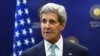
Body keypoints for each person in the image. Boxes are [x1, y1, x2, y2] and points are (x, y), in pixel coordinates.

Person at [21, 3, 89, 56]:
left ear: (62, 25)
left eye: (52, 22)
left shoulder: (80, 52)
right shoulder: (28, 54)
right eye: (44, 21)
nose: (47, 26)